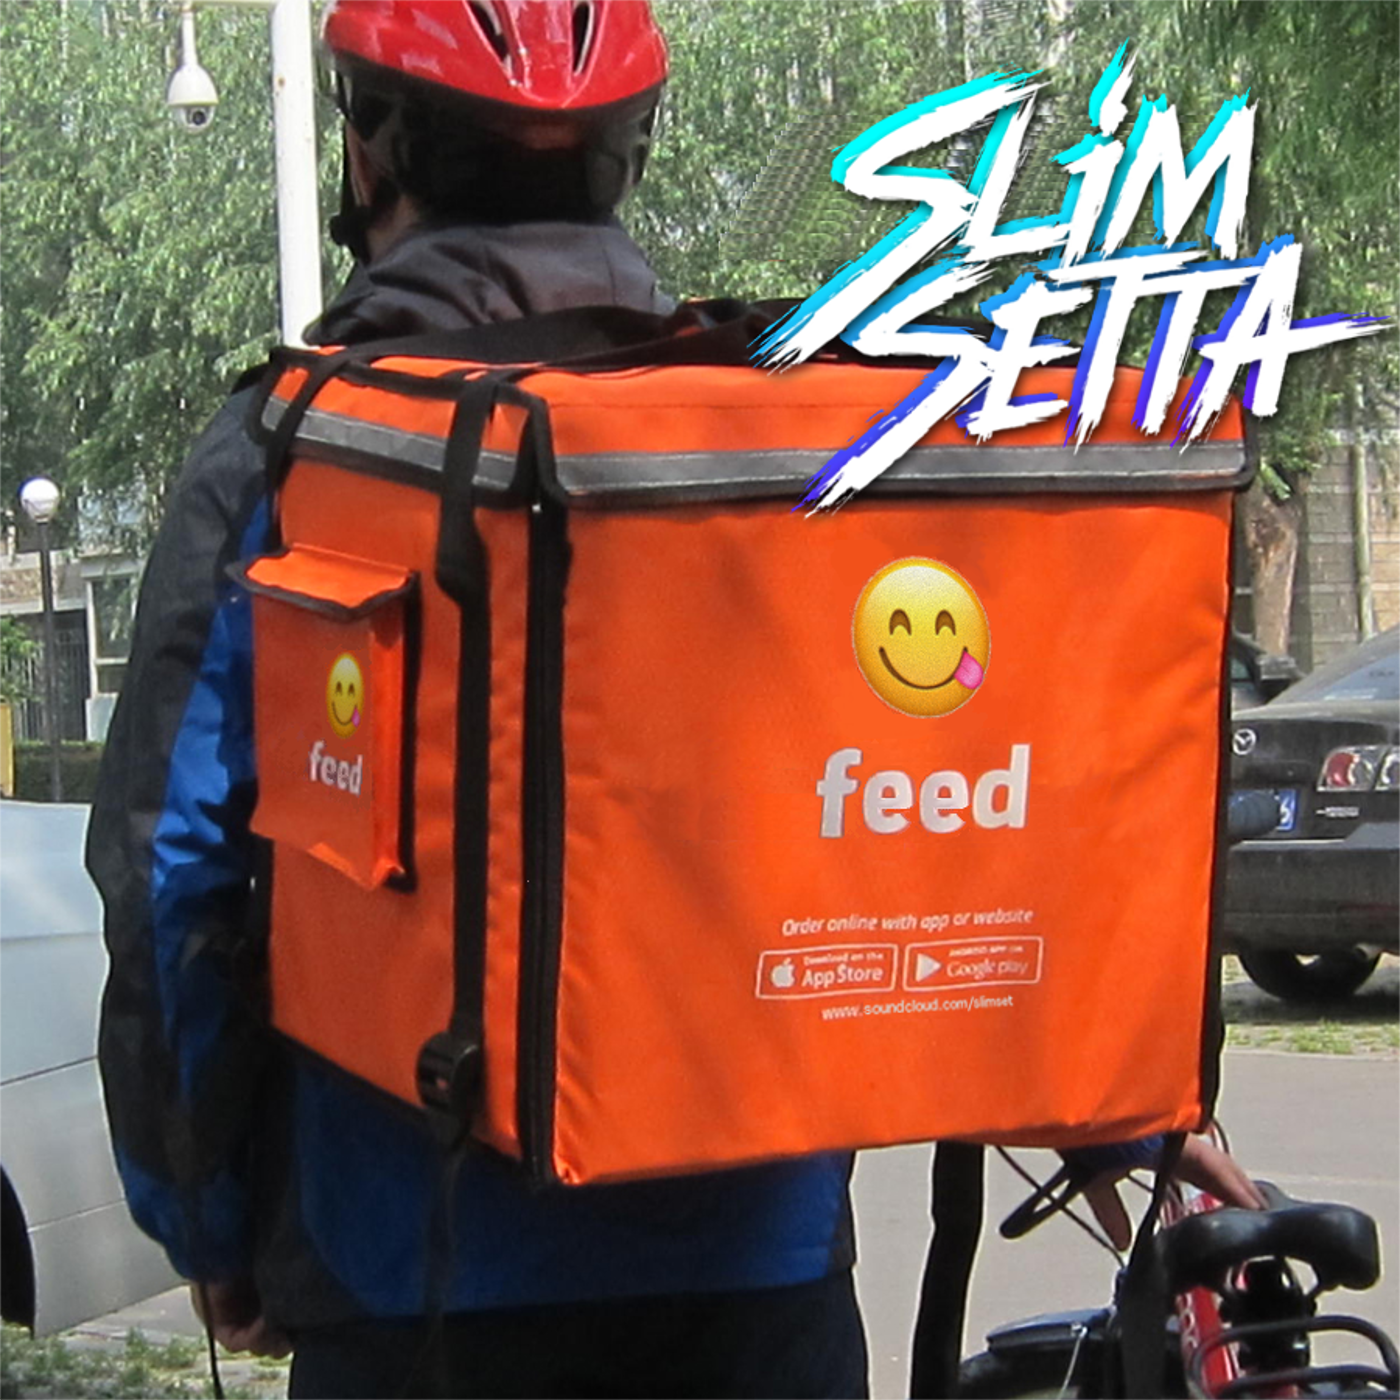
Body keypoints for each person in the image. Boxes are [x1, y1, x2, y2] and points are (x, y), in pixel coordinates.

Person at [89, 4, 1262, 1396]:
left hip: (412, 1269)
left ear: (366, 156)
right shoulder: (772, 433)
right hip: (760, 1276)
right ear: (625, 159)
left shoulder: (294, 453)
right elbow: (936, 790)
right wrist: (1117, 1113)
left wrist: (210, 1219)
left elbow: (175, 871)